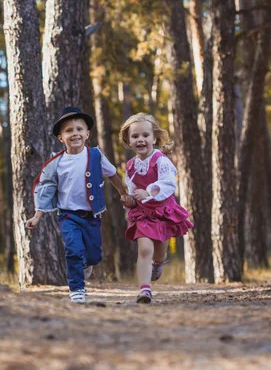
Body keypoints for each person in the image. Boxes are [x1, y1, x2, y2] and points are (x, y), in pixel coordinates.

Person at [26, 106, 132, 303]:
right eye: (69, 130)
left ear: (87, 133)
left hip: (91, 216)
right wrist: (37, 216)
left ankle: (85, 265)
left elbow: (111, 175)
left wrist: (124, 192)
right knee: (73, 250)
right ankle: (77, 290)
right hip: (68, 215)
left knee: (93, 256)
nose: (75, 133)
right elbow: (45, 190)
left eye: (79, 129)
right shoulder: (56, 163)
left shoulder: (95, 155)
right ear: (61, 137)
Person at [119, 112, 194, 304]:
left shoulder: (161, 160)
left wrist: (150, 193)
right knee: (144, 248)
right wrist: (131, 199)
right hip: (144, 213)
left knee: (159, 253)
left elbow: (169, 184)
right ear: (128, 141)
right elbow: (133, 188)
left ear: (154, 138)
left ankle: (158, 264)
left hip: (162, 210)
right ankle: (145, 290)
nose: (140, 140)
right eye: (135, 136)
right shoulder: (130, 166)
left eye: (145, 135)